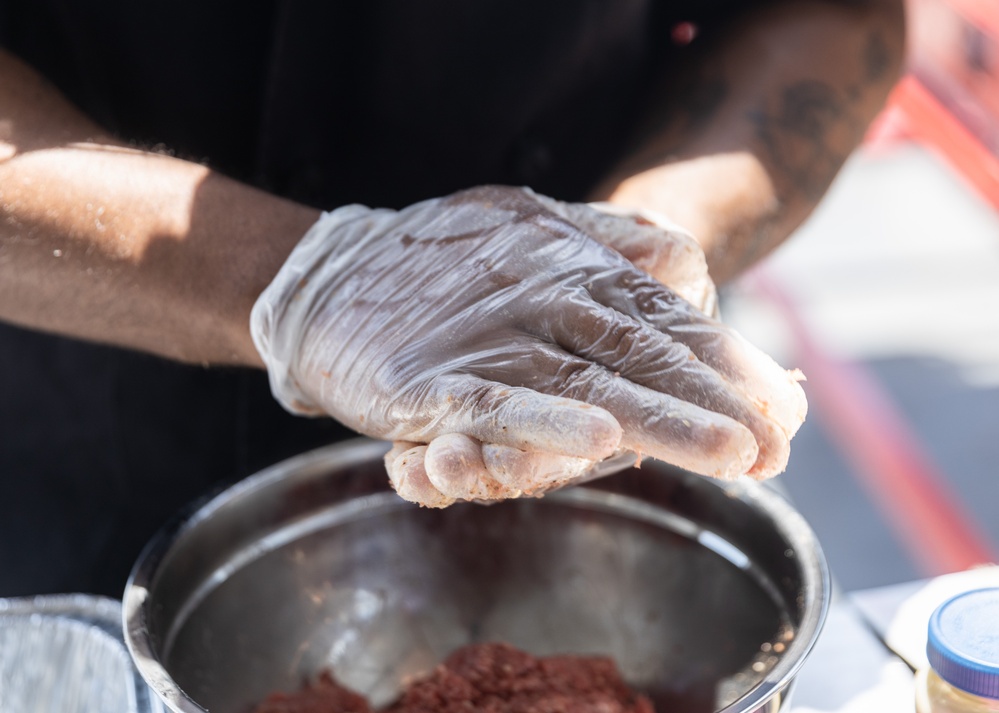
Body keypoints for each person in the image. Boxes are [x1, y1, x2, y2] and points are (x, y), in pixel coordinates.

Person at [0, 0, 904, 597]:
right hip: (98, 412)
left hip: (585, 391)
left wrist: (628, 245)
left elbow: (835, 10)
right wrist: (307, 276)